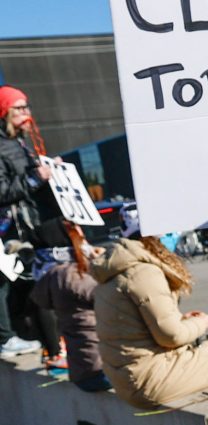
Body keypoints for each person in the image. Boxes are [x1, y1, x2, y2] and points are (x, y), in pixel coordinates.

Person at [91, 207, 208, 408]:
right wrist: (200, 322)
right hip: (148, 381)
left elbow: (138, 328)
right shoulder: (143, 272)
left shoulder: (114, 270)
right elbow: (170, 336)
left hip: (127, 378)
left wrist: (182, 320)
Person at [0, 85, 69, 361]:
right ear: (4, 111)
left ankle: (38, 337)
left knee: (30, 280)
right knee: (8, 281)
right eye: (19, 107)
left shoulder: (19, 143)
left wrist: (52, 172)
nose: (26, 112)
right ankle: (7, 339)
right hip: (8, 229)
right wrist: (33, 178)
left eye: (27, 106)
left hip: (27, 224)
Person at [30, 222, 111, 391]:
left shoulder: (54, 275)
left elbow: (38, 300)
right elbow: (115, 301)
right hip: (101, 369)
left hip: (79, 372)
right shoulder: (84, 276)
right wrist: (103, 261)